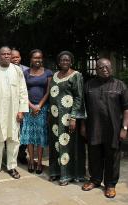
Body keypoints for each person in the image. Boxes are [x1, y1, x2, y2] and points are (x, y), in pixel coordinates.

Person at [81, 58, 128, 198]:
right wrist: (83, 126)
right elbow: (82, 108)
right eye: (101, 67)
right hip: (94, 127)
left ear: (111, 68)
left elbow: (126, 108)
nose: (104, 69)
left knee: (112, 157)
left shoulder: (120, 85)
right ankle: (95, 180)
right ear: (96, 70)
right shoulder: (89, 85)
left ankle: (110, 184)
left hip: (113, 129)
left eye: (107, 67)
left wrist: (125, 128)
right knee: (94, 155)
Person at [0, 46, 29, 180]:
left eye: (8, 54)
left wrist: (22, 110)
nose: (6, 56)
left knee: (13, 139)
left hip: (13, 111)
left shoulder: (17, 70)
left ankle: (11, 166)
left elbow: (23, 91)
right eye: (3, 54)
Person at [48, 51, 86, 186]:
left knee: (68, 145)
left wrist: (74, 117)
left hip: (68, 117)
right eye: (62, 60)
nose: (64, 62)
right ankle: (56, 171)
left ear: (71, 62)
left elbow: (79, 97)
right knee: (56, 144)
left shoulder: (76, 76)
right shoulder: (54, 76)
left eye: (67, 60)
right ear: (58, 62)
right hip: (55, 118)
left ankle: (68, 175)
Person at [20, 49, 52, 174]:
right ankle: (31, 161)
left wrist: (39, 105)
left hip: (42, 109)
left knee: (40, 137)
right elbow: (22, 91)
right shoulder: (25, 73)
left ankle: (39, 162)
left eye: (39, 58)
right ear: (31, 59)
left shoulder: (48, 72)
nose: (37, 60)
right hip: (28, 108)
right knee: (29, 137)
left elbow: (48, 91)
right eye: (35, 58)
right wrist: (30, 105)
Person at [10, 49, 29, 164]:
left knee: (23, 130)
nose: (15, 59)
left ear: (20, 57)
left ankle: (22, 154)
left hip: (23, 104)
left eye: (17, 57)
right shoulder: (6, 70)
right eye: (13, 58)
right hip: (9, 105)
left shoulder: (26, 70)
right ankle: (10, 154)